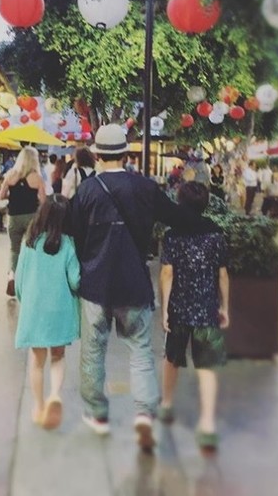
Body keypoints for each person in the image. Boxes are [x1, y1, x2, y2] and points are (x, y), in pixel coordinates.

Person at [66, 124, 199, 450]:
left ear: (97, 154)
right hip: (134, 282)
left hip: (95, 284)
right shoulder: (145, 187)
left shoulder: (87, 190)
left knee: (92, 352)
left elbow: (73, 232)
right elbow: (178, 218)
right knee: (140, 352)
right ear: (126, 154)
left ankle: (97, 414)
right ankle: (143, 415)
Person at [158, 182, 230, 451]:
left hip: (178, 308)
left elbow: (167, 273)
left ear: (180, 201)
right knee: (207, 367)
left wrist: (165, 309)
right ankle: (208, 424)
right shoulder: (216, 234)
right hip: (207, 310)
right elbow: (222, 275)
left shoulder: (172, 235)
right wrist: (224, 307)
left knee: (171, 359)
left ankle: (166, 404)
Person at [14, 194, 81, 430]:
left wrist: (24, 300)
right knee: (58, 356)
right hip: (59, 309)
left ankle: (39, 406)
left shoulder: (29, 243)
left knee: (37, 361)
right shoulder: (67, 244)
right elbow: (75, 281)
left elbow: (19, 280)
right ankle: (54, 395)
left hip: (35, 308)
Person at [0, 147, 47, 296]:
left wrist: (12, 193)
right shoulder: (37, 178)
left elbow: (1, 196)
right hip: (31, 218)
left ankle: (11, 276)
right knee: (31, 248)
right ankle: (27, 280)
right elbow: (44, 201)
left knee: (14, 249)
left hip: (13, 217)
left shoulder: (10, 175)